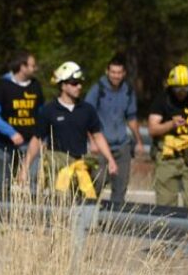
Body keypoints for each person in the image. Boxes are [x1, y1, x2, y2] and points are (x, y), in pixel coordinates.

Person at [18, 62, 117, 197]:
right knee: (60, 203)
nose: (79, 86)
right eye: (74, 83)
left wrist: (110, 159)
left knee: (95, 187)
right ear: (63, 85)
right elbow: (37, 139)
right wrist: (25, 168)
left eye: (80, 83)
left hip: (82, 165)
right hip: (58, 167)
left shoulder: (87, 110)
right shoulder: (49, 110)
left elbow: (98, 135)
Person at [147, 64, 188, 208]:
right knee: (165, 202)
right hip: (167, 155)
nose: (182, 92)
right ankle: (167, 229)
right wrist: (171, 124)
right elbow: (152, 129)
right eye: (178, 88)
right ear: (171, 86)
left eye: (186, 88)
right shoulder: (162, 100)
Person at [86, 54, 143, 206]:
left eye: (119, 73)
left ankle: (113, 224)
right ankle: (88, 220)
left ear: (124, 73)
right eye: (113, 72)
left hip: (122, 145)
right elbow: (86, 116)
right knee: (96, 184)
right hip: (101, 145)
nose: (116, 76)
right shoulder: (98, 89)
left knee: (120, 187)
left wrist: (138, 141)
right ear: (107, 71)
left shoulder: (128, 91)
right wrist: (92, 142)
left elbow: (131, 118)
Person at [0, 49, 43, 198]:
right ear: (22, 67)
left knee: (32, 179)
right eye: (31, 65)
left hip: (31, 142)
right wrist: (11, 132)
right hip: (7, 143)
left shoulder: (35, 85)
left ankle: (32, 214)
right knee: (5, 181)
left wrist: (42, 136)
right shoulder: (2, 85)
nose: (34, 68)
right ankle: (1, 212)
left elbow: (41, 113)